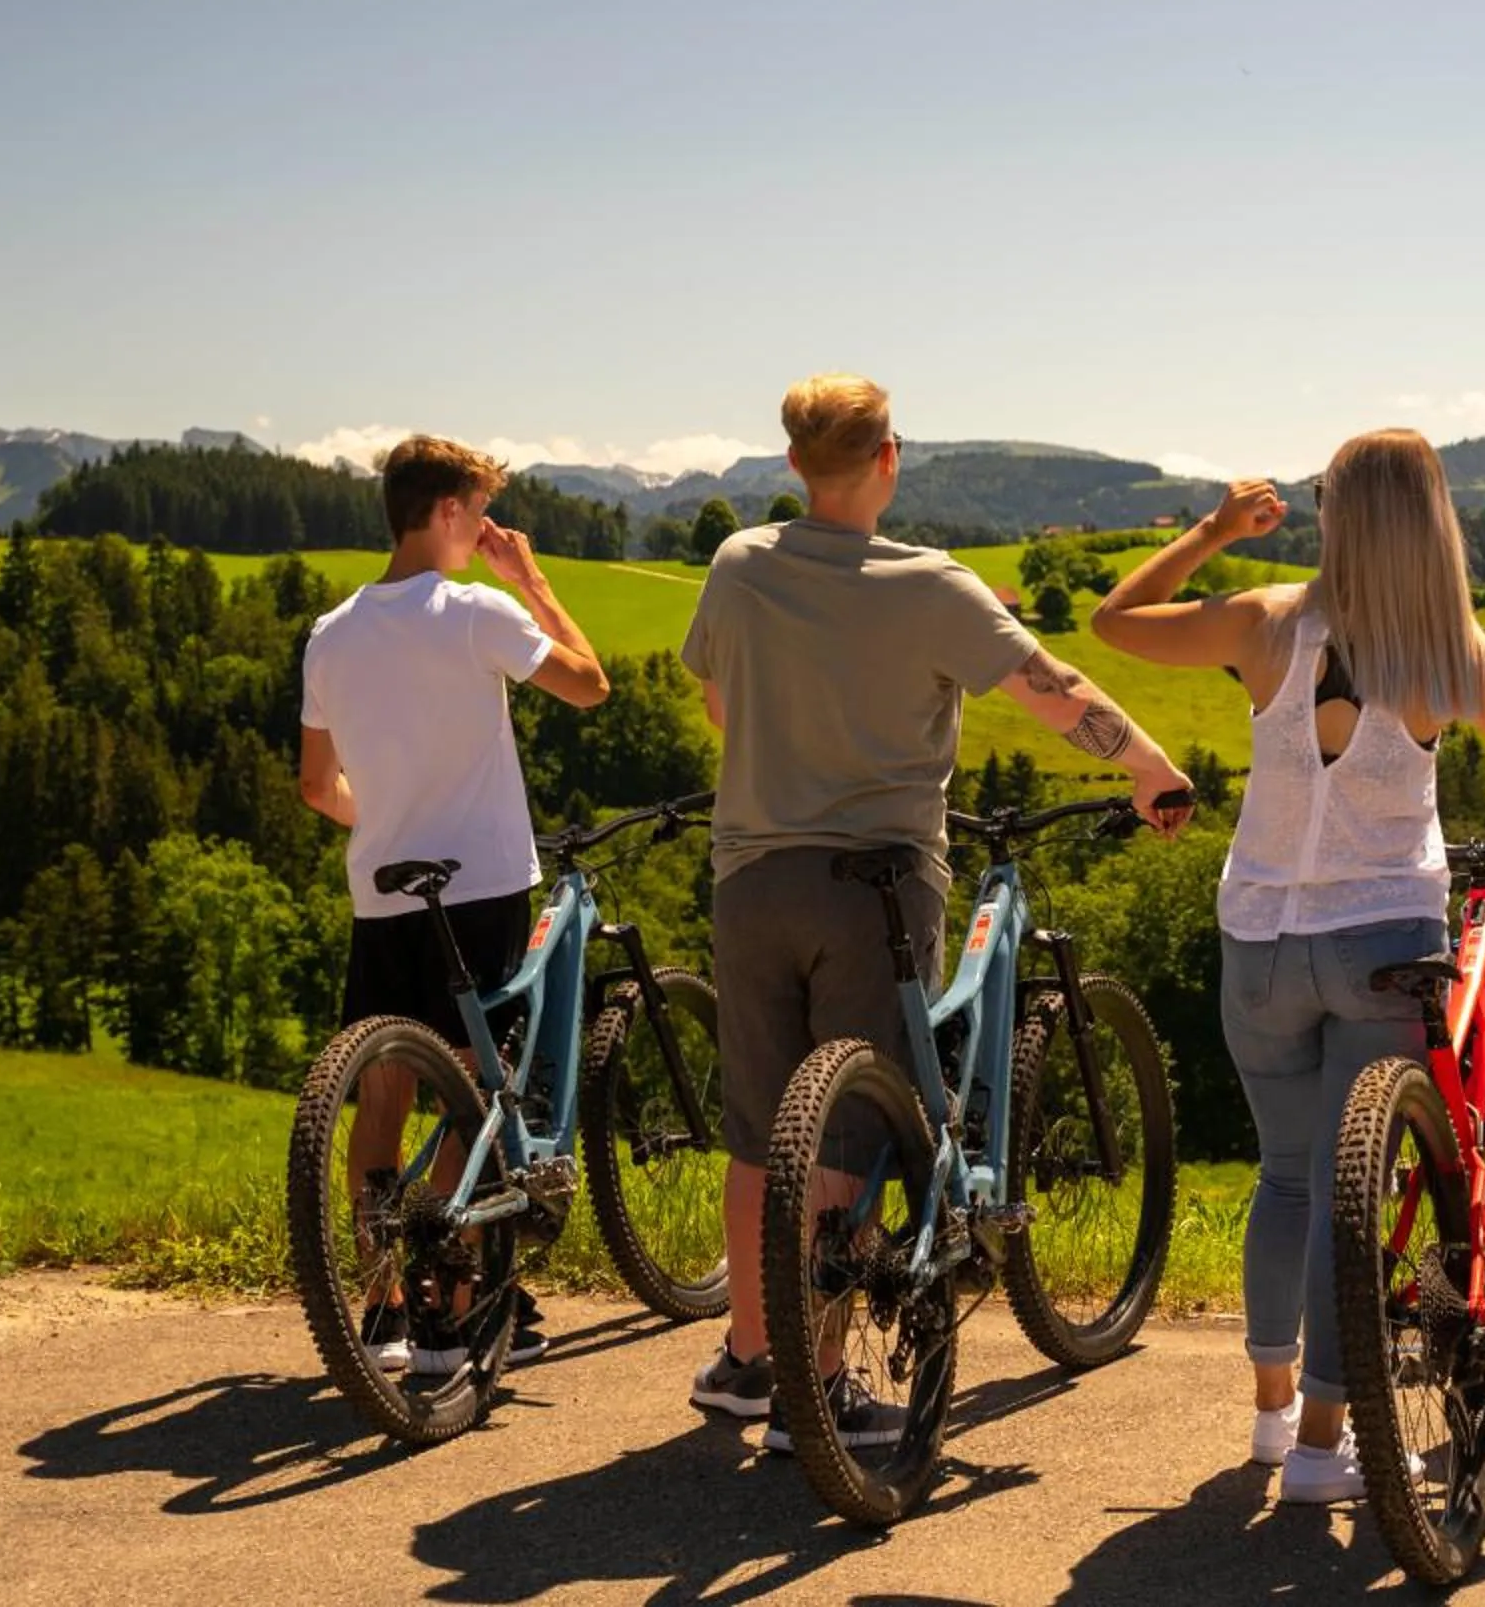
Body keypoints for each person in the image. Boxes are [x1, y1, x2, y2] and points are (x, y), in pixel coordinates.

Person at [1091, 429, 1485, 1504]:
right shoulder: (1444, 650)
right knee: (1354, 1198)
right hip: (1381, 947)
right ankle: (1327, 1444)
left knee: (1287, 1177)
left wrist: (1215, 530)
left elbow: (1114, 620)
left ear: (1335, 517)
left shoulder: (1266, 620)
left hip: (1258, 939)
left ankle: (1273, 1416)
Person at [679, 372, 1195, 1451]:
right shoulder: (932, 586)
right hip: (875, 880)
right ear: (889, 458)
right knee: (850, 1128)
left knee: (759, 1126)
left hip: (748, 879)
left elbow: (721, 703)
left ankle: (748, 1358)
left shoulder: (739, 565)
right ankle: (822, 1393)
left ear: (790, 465)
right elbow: (1057, 689)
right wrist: (1150, 769)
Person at [299, 435, 610, 1376]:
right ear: (443, 513)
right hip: (476, 888)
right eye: (478, 514)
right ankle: (455, 1308)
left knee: (383, 1099)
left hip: (382, 890)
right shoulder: (477, 613)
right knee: (471, 1095)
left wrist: (384, 818)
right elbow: (590, 687)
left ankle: (387, 1308)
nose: (486, 531)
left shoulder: (331, 632)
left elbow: (318, 786)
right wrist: (537, 584)